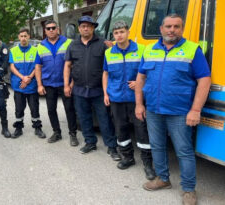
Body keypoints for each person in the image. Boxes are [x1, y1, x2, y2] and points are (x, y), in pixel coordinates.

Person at [135, 14, 211, 205]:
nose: (172, 30)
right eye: (168, 26)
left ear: (182, 29)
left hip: (180, 111)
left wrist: (195, 110)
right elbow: (141, 78)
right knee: (158, 146)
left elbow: (204, 80)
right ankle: (163, 179)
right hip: (153, 109)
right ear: (161, 29)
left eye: (176, 26)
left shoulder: (192, 49)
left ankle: (188, 189)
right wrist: (139, 104)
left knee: (184, 151)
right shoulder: (150, 49)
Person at [102, 21, 155, 180]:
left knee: (142, 130)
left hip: (135, 99)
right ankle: (127, 158)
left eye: (122, 32)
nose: (119, 35)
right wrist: (105, 93)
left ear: (128, 32)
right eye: (116, 32)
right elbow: (105, 74)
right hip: (116, 98)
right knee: (121, 129)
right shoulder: (109, 53)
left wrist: (141, 83)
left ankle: (147, 164)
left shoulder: (141, 50)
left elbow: (149, 72)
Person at [63, 16, 120, 161]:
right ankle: (90, 142)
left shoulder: (102, 44)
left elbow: (115, 61)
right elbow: (67, 66)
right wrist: (66, 84)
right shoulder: (73, 45)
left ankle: (112, 146)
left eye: (89, 26)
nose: (86, 28)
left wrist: (114, 47)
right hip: (80, 89)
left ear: (93, 28)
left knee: (105, 119)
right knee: (84, 117)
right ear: (79, 28)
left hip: (99, 90)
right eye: (83, 26)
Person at [34, 20, 78, 146]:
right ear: (45, 31)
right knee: (51, 110)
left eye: (53, 28)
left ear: (58, 29)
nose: (51, 30)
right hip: (49, 84)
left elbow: (75, 64)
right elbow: (38, 67)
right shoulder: (41, 46)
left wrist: (72, 83)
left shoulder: (69, 42)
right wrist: (39, 85)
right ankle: (56, 132)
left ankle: (73, 134)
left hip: (66, 83)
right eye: (48, 28)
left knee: (70, 109)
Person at [9, 28, 45, 139]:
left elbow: (37, 66)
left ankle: (37, 128)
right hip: (19, 85)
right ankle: (18, 128)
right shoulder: (13, 50)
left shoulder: (36, 50)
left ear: (29, 37)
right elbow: (12, 67)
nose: (23, 38)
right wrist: (23, 78)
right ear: (18, 37)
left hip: (32, 84)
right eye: (21, 36)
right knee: (19, 108)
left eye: (25, 36)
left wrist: (29, 78)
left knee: (34, 108)